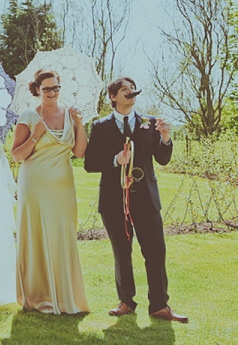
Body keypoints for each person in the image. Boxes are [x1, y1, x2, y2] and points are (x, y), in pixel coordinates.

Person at [84, 76, 188, 323]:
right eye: (124, 89)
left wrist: (164, 137)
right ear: (113, 97)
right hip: (113, 199)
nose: (130, 92)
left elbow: (162, 159)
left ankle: (160, 306)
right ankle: (126, 302)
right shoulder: (99, 126)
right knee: (122, 251)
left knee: (155, 251)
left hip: (146, 200)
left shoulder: (149, 123)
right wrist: (115, 160)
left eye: (132, 88)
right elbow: (89, 164)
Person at [11, 69, 90, 314]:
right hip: (34, 185)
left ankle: (66, 295)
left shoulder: (70, 114)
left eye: (56, 88)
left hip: (63, 186)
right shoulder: (28, 116)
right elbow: (17, 155)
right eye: (47, 89)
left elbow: (79, 152)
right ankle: (37, 296)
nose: (52, 93)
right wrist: (35, 136)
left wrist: (79, 124)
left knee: (62, 234)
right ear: (37, 90)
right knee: (36, 234)